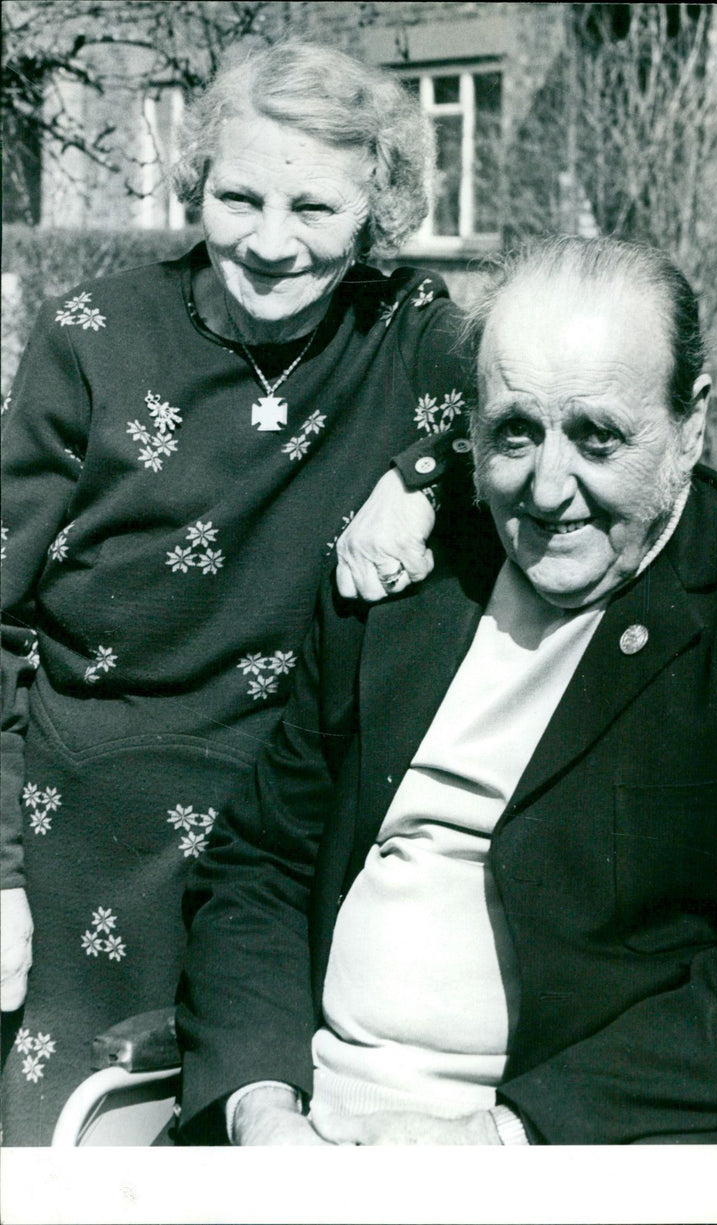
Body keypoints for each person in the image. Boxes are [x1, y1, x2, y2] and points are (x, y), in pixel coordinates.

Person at [177, 236, 717, 1146]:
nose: (548, 488)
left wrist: (498, 1138)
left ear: (691, 422)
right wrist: (259, 1103)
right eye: (514, 431)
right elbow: (263, 862)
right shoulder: (407, 562)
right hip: (306, 1132)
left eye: (598, 437)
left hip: (581, 1153)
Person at [0, 38, 473, 1144]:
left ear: (375, 212)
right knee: (60, 1149)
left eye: (314, 207)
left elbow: (552, 435)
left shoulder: (410, 333)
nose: (269, 241)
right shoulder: (92, 340)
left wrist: (424, 480)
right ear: (195, 183)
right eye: (239, 197)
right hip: (86, 828)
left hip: (290, 841)